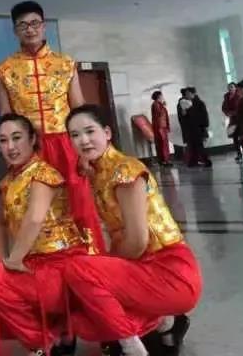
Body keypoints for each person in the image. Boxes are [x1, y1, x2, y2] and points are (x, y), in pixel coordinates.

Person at [63, 105, 202, 356]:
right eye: (75, 135)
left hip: (170, 270)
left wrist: (104, 269)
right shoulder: (98, 173)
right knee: (83, 319)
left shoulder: (125, 170)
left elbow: (138, 242)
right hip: (144, 267)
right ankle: (166, 323)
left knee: (79, 270)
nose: (83, 140)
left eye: (89, 131)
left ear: (107, 133)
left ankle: (133, 347)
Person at [0, 0, 103, 251]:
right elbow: (6, 115)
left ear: (44, 26)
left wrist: (84, 152)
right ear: (15, 31)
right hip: (29, 148)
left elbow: (78, 108)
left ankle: (90, 257)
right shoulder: (4, 70)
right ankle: (41, 259)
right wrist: (12, 153)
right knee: (32, 208)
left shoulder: (65, 64)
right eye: (23, 25)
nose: (30, 29)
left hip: (65, 143)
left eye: (35, 23)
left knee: (78, 203)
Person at [0, 114, 88, 356]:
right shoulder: (8, 181)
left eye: (17, 138)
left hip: (61, 264)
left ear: (32, 139)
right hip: (34, 264)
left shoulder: (43, 173)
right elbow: (0, 223)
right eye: (3, 141)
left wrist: (12, 261)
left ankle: (45, 342)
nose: (10, 147)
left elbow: (35, 218)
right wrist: (3, 261)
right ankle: (53, 336)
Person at [177, 88, 212, 168]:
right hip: (190, 129)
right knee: (192, 146)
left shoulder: (199, 103)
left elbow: (204, 115)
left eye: (188, 93)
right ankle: (193, 162)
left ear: (193, 93)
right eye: (186, 94)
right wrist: (184, 114)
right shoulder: (185, 103)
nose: (186, 95)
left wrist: (204, 126)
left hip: (198, 128)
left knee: (199, 146)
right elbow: (183, 117)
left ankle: (206, 161)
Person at [222, 83, 243, 162]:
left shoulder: (239, 96)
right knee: (235, 137)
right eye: (229, 87)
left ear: (235, 88)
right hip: (232, 120)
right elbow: (223, 107)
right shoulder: (226, 97)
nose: (230, 89)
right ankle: (239, 154)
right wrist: (227, 113)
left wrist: (233, 113)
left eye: (232, 87)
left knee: (242, 137)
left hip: (240, 119)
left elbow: (241, 107)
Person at [150, 91, 173, 166]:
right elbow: (159, 114)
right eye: (161, 96)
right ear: (158, 96)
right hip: (160, 127)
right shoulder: (156, 104)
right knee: (162, 144)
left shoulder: (159, 104)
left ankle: (164, 160)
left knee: (163, 144)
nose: (162, 97)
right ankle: (164, 160)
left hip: (162, 126)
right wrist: (163, 106)